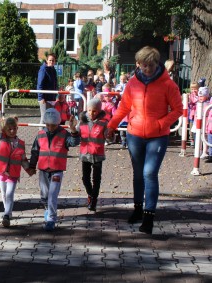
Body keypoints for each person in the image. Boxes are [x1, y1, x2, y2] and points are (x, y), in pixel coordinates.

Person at [107, 46, 183, 234]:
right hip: (134, 135)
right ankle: (138, 209)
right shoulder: (132, 83)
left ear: (157, 64)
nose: (147, 69)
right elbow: (124, 108)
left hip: (157, 136)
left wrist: (160, 124)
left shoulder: (168, 84)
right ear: (138, 65)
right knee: (138, 174)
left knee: (149, 173)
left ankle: (149, 216)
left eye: (150, 65)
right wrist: (111, 126)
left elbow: (178, 110)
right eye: (143, 65)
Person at [29, 108, 80, 231]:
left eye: (53, 125)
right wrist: (31, 166)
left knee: (52, 195)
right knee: (44, 195)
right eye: (48, 125)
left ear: (58, 123)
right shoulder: (40, 134)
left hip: (57, 170)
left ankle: (51, 218)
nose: (50, 127)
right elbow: (35, 151)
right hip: (43, 169)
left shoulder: (63, 134)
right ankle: (47, 209)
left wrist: (73, 130)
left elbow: (74, 142)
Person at [0, 109, 34, 227]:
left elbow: (23, 159)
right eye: (9, 129)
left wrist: (29, 170)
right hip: (2, 171)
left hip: (13, 173)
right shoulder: (0, 138)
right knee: (3, 193)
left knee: (9, 194)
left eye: (14, 129)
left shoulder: (20, 143)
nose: (12, 131)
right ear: (4, 129)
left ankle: (6, 215)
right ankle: (8, 211)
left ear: (17, 128)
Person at [78, 98, 109, 212]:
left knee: (96, 178)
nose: (91, 113)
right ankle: (90, 194)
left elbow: (109, 136)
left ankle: (94, 200)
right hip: (85, 154)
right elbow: (76, 134)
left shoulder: (103, 123)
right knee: (85, 178)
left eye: (94, 111)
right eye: (89, 110)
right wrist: (72, 129)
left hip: (97, 154)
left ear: (99, 111)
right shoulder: (82, 121)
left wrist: (110, 134)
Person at [37, 53, 58, 124]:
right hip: (45, 98)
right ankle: (41, 133)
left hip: (51, 98)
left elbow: (54, 83)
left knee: (50, 117)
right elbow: (40, 84)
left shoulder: (53, 70)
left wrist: (56, 95)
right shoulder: (43, 70)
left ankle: (48, 133)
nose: (51, 62)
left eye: (53, 61)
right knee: (44, 117)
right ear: (47, 60)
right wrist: (41, 97)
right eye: (50, 60)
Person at [188, 82, 200, 146]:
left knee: (197, 127)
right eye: (192, 89)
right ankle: (191, 139)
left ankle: (197, 139)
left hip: (198, 114)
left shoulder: (199, 95)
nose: (193, 90)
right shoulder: (191, 95)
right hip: (192, 114)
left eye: (195, 89)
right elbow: (191, 102)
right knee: (191, 127)